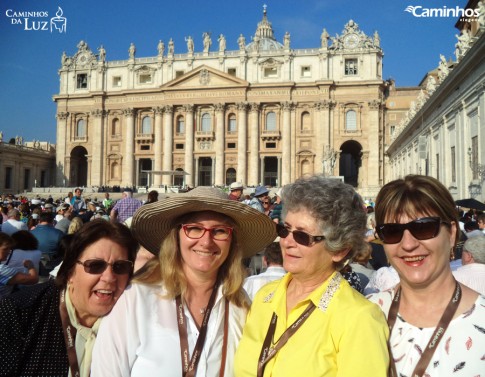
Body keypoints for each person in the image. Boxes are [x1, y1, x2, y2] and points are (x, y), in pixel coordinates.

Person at [91, 186, 277, 376]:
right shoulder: (137, 299)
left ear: (232, 241)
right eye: (194, 229)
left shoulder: (241, 305)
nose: (206, 242)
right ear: (176, 236)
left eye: (220, 231)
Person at [234, 175, 389, 376]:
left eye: (302, 236)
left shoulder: (358, 318)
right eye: (285, 230)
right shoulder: (265, 297)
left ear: (339, 250)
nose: (287, 242)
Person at [369, 175, 485, 376]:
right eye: (392, 231)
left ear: (451, 233)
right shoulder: (365, 313)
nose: (408, 244)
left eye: (423, 227)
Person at [0, 220, 138, 376]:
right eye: (95, 265)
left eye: (120, 266)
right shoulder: (19, 312)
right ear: (70, 271)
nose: (109, 277)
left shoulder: (135, 320)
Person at [0, 233, 39, 300]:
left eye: (10, 249)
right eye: (5, 249)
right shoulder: (3, 270)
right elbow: (34, 279)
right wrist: (30, 266)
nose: (9, 252)